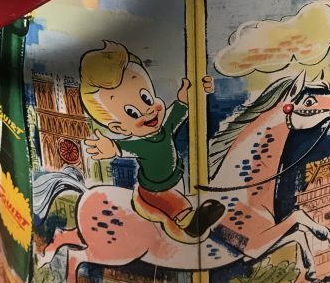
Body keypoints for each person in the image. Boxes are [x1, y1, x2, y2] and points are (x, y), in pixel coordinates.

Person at [80, 40, 224, 240]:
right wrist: (111, 147)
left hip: (173, 180)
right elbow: (122, 147)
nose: (148, 111)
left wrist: (191, 94)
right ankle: (191, 224)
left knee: (178, 198)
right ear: (119, 128)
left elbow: (178, 112)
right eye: (132, 112)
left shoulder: (164, 129)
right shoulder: (140, 144)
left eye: (147, 98)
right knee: (177, 204)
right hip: (154, 191)